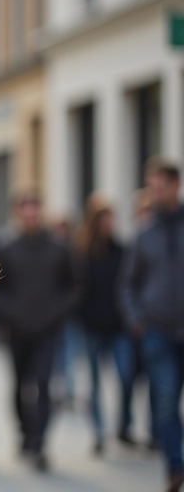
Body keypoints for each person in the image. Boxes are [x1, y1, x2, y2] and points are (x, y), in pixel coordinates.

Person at [0, 194, 78, 471]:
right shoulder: (7, 249)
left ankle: (39, 443)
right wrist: (11, 313)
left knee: (42, 384)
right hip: (16, 331)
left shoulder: (58, 248)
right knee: (19, 386)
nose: (30, 219)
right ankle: (25, 434)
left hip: (48, 330)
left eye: (34, 213)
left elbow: (74, 286)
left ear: (40, 214)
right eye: (25, 214)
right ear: (18, 215)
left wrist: (57, 311)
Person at [121, 157, 184, 491]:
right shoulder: (144, 235)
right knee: (165, 400)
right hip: (157, 331)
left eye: (160, 187)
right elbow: (128, 284)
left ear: (175, 185)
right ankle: (176, 466)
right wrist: (137, 321)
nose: (154, 194)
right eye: (151, 188)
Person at [73, 193, 134, 455]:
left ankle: (124, 426)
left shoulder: (122, 251)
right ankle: (99, 432)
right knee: (95, 382)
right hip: (92, 326)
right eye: (105, 219)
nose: (109, 224)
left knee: (126, 377)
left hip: (119, 326)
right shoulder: (82, 253)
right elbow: (77, 289)